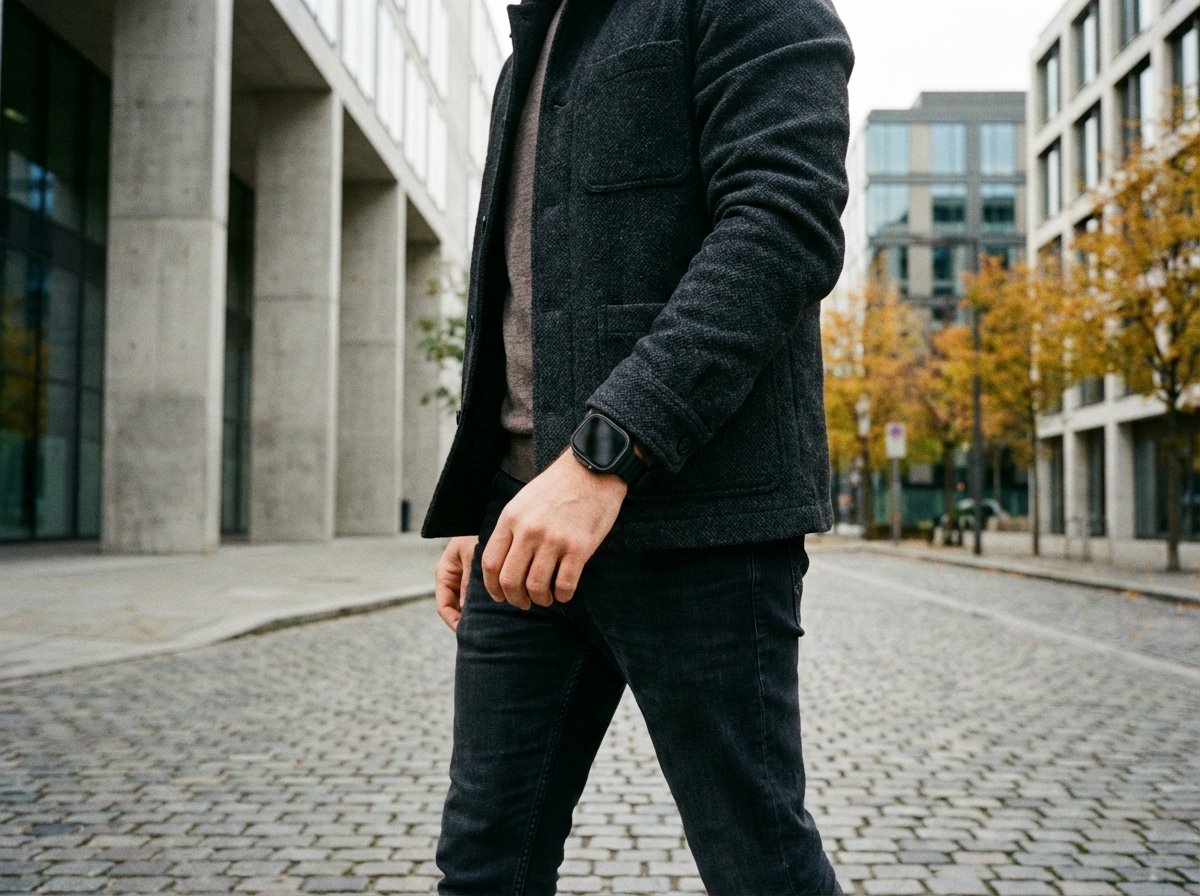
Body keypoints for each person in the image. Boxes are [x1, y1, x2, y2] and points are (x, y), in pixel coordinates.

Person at [423, 0, 853, 892]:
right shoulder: (535, 39)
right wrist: (485, 492)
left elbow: (783, 223)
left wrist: (600, 458)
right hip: (523, 524)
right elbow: (523, 289)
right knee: (481, 867)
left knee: (758, 863)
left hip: (700, 525)